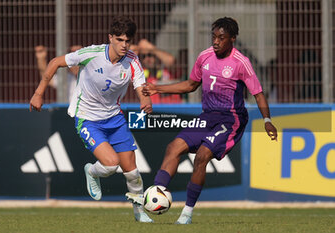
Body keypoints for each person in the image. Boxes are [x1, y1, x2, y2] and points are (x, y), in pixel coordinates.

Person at [126, 17, 278, 224]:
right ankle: (157, 194)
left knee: (202, 156)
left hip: (230, 119)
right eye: (214, 37)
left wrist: (267, 120)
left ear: (232, 39)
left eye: (221, 38)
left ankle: (187, 213)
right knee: (174, 147)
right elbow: (190, 85)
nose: (215, 41)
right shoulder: (205, 56)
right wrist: (157, 88)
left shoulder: (241, 62)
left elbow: (258, 94)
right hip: (207, 116)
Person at [30, 16, 154, 223]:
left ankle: (139, 212)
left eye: (128, 41)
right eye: (120, 40)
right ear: (110, 38)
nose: (124, 45)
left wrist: (145, 100)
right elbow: (55, 63)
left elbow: (140, 85)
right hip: (88, 118)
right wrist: (38, 93)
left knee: (132, 172)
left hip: (115, 118)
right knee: (111, 164)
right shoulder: (92, 53)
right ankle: (92, 171)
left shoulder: (132, 60)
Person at [131, 39, 182, 103]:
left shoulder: (168, 69)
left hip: (171, 109)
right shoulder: (140, 71)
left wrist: (152, 48)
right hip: (150, 109)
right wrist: (131, 53)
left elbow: (171, 61)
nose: (147, 59)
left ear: (156, 55)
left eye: (150, 55)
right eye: (144, 56)